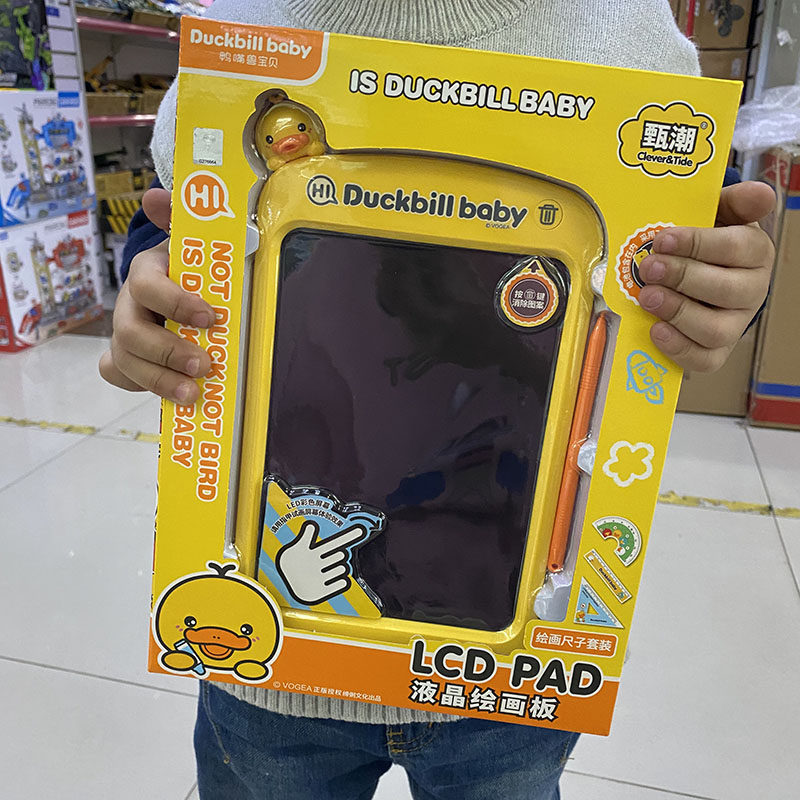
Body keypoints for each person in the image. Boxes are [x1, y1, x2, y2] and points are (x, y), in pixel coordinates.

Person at [99, 2, 775, 798]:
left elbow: (686, 246)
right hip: (270, 650)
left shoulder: (633, 39)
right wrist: (149, 288)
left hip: (507, 672)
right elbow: (174, 220)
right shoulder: (240, 33)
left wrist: (719, 292)